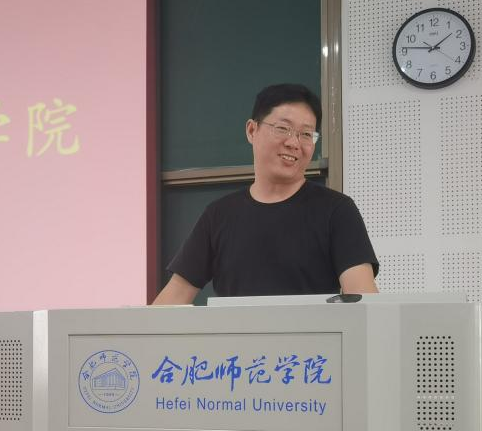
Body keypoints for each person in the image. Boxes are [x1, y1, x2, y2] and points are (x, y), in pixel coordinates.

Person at [152, 83, 379, 305]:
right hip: (236, 333)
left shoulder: (337, 211)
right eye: (282, 128)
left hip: (312, 333)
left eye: (306, 134)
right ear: (252, 130)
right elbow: (172, 299)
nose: (294, 143)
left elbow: (364, 302)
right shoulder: (219, 215)